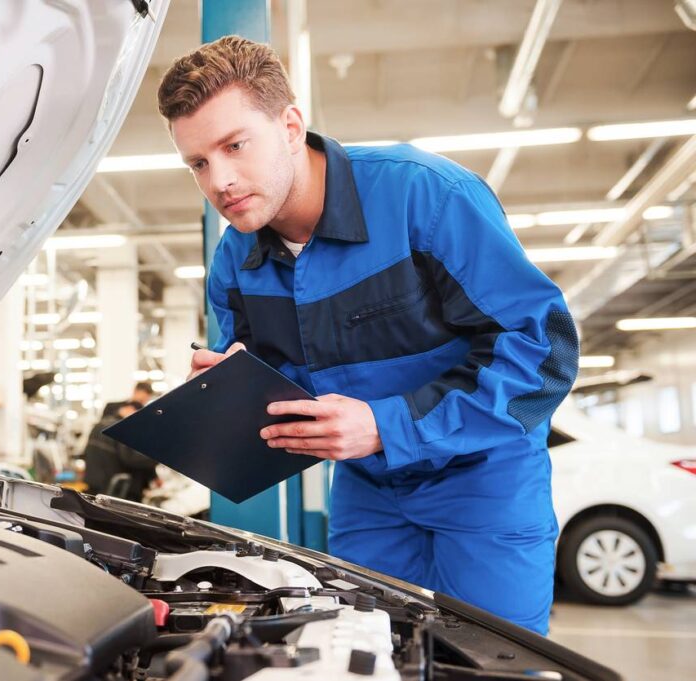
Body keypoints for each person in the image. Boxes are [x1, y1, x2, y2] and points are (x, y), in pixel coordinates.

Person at [157, 36, 579, 635]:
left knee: (492, 663)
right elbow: (289, 401)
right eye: (198, 163)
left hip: (485, 478)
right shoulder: (235, 262)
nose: (219, 180)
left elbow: (546, 354)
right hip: (368, 489)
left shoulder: (425, 198)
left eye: (234, 145)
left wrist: (387, 426)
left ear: (290, 125)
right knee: (363, 656)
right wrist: (233, 394)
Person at [83, 401, 157, 501]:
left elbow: (85, 453)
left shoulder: (99, 425)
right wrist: (158, 457)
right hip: (115, 489)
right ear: (129, 409)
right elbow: (131, 458)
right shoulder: (121, 428)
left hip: (95, 484)